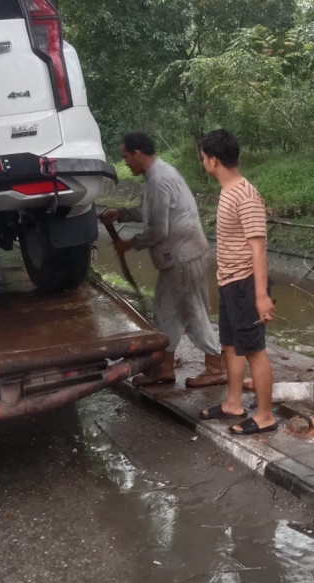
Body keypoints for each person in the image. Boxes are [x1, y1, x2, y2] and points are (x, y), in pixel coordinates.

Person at [100, 131, 227, 388]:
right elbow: (152, 213)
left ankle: (216, 367)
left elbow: (158, 229)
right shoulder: (158, 175)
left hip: (183, 257)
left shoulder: (158, 179)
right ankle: (164, 367)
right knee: (166, 313)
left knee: (192, 312)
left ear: (138, 153)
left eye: (126, 157)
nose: (125, 163)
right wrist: (122, 214)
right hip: (180, 257)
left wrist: (130, 244)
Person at [197, 129, 277, 435]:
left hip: (246, 284)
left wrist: (260, 295)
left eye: (204, 157)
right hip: (229, 281)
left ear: (213, 160)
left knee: (254, 349)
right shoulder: (228, 191)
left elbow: (258, 247)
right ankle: (233, 403)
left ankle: (266, 415)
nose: (203, 161)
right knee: (230, 345)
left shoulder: (246, 195)